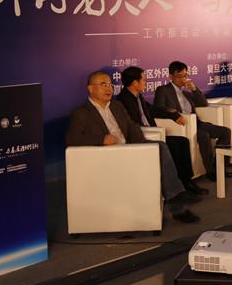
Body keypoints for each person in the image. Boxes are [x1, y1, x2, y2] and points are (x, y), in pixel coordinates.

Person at [66, 71, 201, 223]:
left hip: (130, 148)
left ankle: (177, 200)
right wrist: (101, 139)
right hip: (108, 155)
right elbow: (71, 139)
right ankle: (177, 199)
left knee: (160, 147)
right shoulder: (81, 113)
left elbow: (131, 126)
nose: (109, 88)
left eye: (110, 84)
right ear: (90, 88)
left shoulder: (116, 106)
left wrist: (141, 145)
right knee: (162, 149)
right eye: (103, 85)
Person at [117, 66, 208, 196]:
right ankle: (178, 188)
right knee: (173, 145)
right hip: (143, 135)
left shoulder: (138, 96)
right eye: (143, 80)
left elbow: (153, 110)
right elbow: (131, 125)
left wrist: (173, 115)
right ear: (135, 82)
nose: (146, 83)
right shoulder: (123, 100)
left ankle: (187, 181)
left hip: (153, 132)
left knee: (182, 141)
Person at [153, 61, 232, 182]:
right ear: (171, 76)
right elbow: (158, 108)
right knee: (203, 135)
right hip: (183, 125)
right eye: (179, 76)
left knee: (225, 132)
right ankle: (211, 172)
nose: (183, 79)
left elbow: (203, 103)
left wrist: (194, 89)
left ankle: (220, 167)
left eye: (185, 75)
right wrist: (174, 114)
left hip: (197, 123)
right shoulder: (163, 90)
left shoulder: (186, 92)